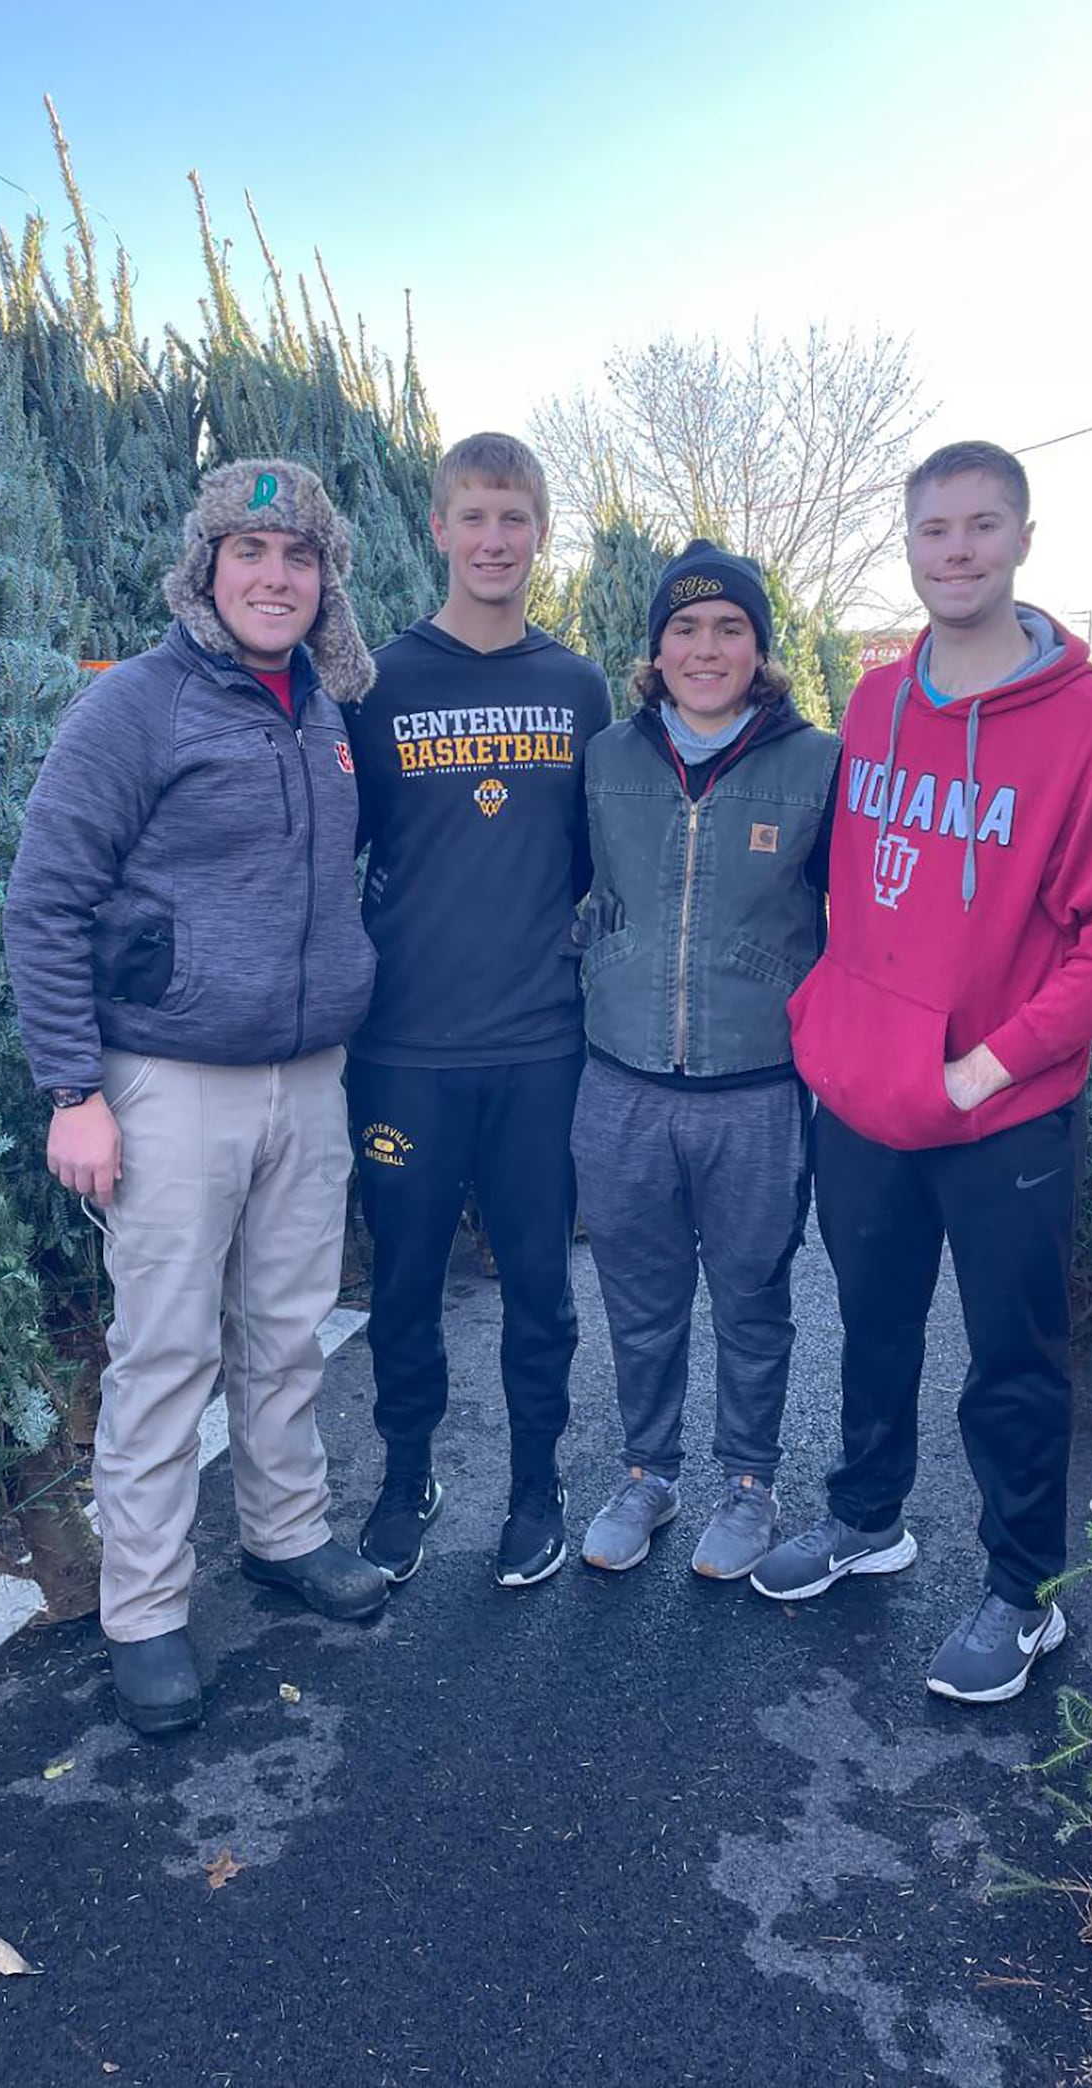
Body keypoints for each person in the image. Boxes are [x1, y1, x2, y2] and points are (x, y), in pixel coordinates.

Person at [752, 441, 1092, 1705]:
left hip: (1006, 1113)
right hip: (868, 1099)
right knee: (871, 1326)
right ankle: (867, 1518)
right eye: (934, 529)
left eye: (981, 526)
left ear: (1023, 540)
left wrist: (984, 1065)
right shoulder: (877, 700)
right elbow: (851, 890)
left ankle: (1020, 1592)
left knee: (1011, 1359)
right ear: (908, 542)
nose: (955, 549)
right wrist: (834, 1022)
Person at [4, 458, 389, 1737]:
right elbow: (44, 901)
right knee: (165, 1353)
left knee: (288, 1330)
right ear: (206, 568)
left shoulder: (326, 713)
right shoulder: (138, 707)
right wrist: (74, 1090)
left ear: (324, 579)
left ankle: (285, 1536)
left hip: (309, 1078)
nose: (275, 578)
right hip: (168, 1083)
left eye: (299, 558)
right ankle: (147, 1611)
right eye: (251, 554)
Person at [343, 432, 611, 1590]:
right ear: (439, 529)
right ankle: (407, 1474)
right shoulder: (381, 681)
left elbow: (604, 865)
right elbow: (330, 853)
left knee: (540, 1287)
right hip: (403, 1051)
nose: (493, 540)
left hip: (540, 1049)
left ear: (540, 532)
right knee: (402, 1281)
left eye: (514, 519)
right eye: (473, 518)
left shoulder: (576, 685)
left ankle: (535, 1485)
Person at [573, 542, 838, 1580]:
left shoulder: (818, 762)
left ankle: (747, 1481)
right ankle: (647, 1471)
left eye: (729, 626)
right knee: (638, 1296)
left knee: (751, 1296)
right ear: (654, 647)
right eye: (683, 627)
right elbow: (566, 892)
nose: (705, 645)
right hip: (620, 1083)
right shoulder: (605, 758)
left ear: (760, 646)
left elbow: (857, 924)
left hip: (756, 1092)